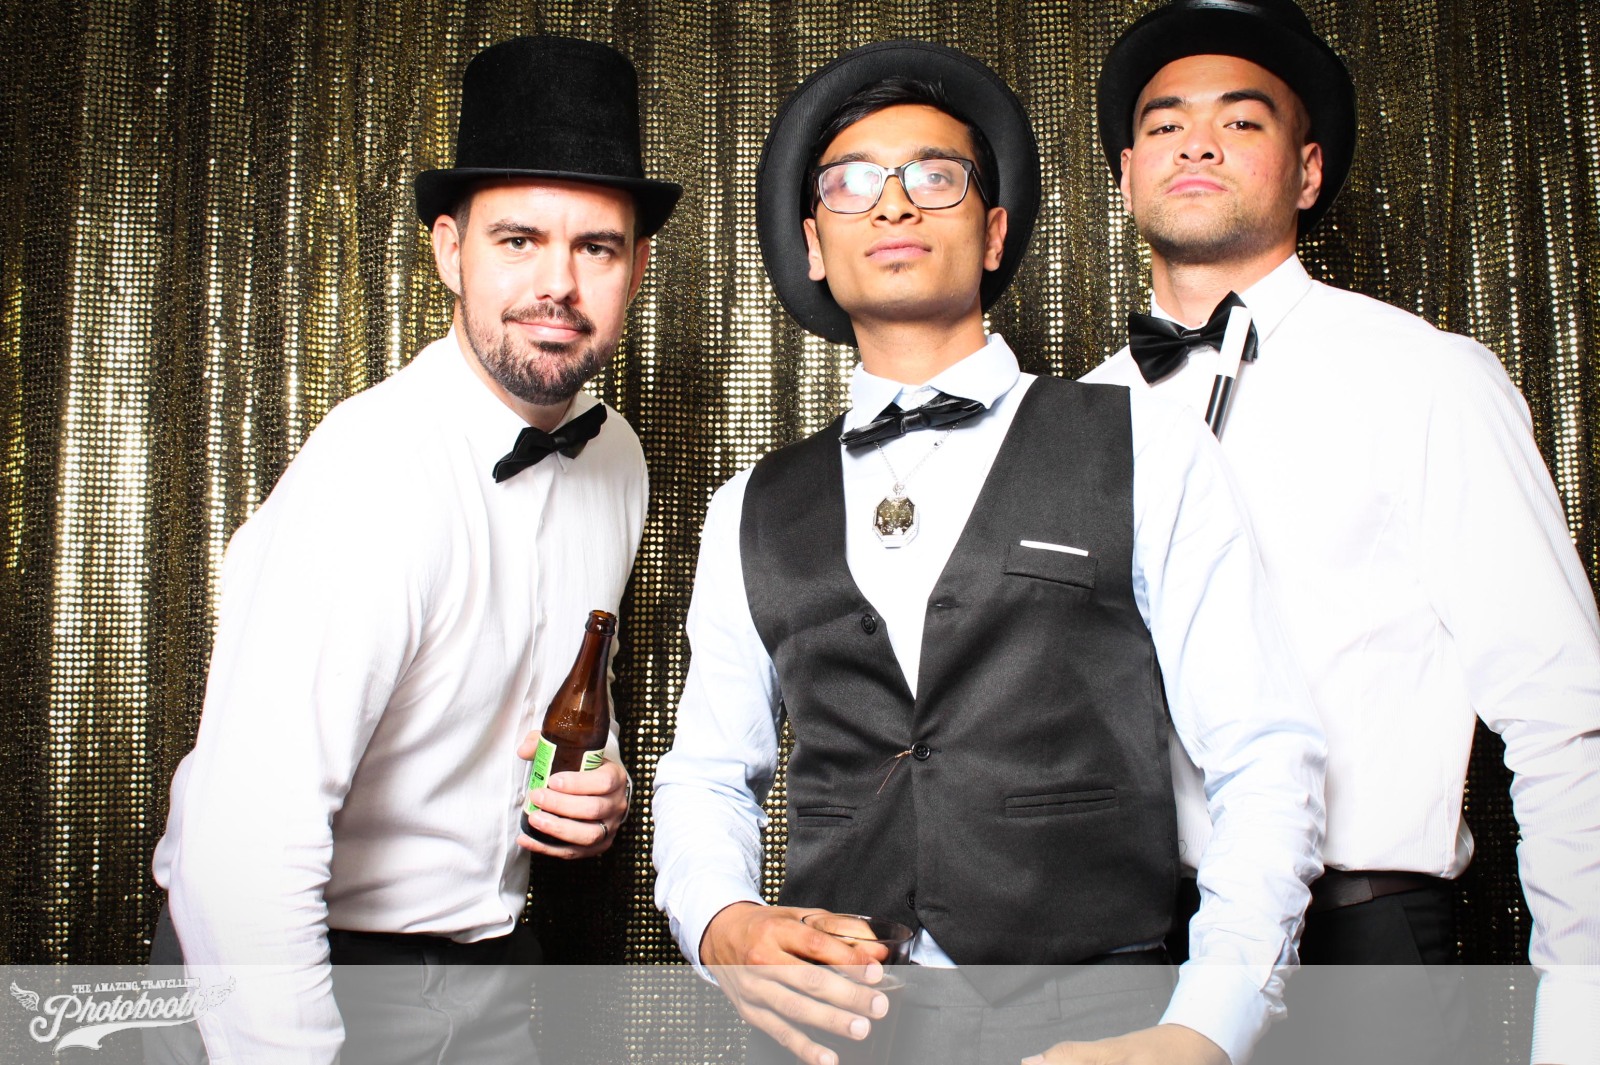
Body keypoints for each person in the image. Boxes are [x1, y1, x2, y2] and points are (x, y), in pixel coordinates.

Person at [653, 40, 1326, 1065]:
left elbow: (1263, 752)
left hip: (1099, 1022)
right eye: (851, 183)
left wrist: (1203, 1029)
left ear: (995, 230)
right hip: (835, 1031)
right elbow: (706, 772)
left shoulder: (1145, 444)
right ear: (814, 246)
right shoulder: (748, 504)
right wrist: (721, 922)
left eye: (935, 176)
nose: (893, 204)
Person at [146, 35, 679, 1064]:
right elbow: (240, 855)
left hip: (490, 974)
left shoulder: (617, 457)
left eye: (596, 248)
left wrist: (598, 778)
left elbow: (542, 690)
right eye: (518, 239)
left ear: (637, 267)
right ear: (449, 251)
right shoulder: (371, 474)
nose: (558, 284)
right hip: (287, 965)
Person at [1085, 2, 1600, 1063]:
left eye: (1241, 120)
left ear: (1308, 172)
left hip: (1363, 956)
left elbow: (1564, 716)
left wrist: (1580, 1026)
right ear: (1127, 177)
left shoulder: (1424, 377)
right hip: (1135, 960)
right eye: (1166, 123)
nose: (1196, 142)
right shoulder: (1075, 416)